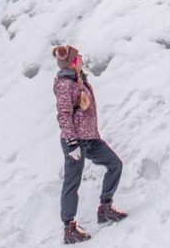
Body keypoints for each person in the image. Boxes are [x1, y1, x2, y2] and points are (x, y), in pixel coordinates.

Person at [52, 44, 127, 244]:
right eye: (79, 57)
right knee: (72, 183)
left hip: (91, 139)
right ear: (72, 62)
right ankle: (69, 229)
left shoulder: (78, 78)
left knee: (115, 165)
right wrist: (72, 143)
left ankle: (105, 208)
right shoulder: (64, 84)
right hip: (75, 142)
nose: (82, 58)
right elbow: (64, 115)